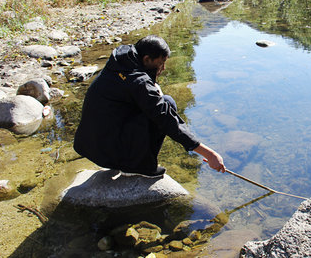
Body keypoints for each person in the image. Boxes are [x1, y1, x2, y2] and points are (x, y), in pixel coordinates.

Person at [74, 35, 226, 178]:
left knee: (161, 102)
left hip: (90, 145)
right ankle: (137, 167)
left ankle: (130, 160)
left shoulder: (123, 60)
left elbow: (136, 90)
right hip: (106, 151)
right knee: (167, 105)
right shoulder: (138, 81)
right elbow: (166, 120)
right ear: (146, 59)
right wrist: (209, 154)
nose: (163, 68)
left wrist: (153, 88)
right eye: (161, 63)